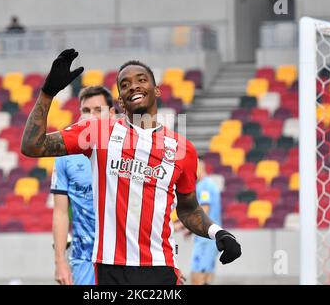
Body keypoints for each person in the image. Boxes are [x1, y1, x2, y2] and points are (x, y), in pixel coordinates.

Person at [21, 48, 241, 285]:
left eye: (141, 80)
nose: (133, 86)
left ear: (156, 90)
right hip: (110, 269)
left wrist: (217, 232)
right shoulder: (97, 132)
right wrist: (47, 93)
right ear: (120, 102)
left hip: (160, 268)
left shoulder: (182, 149)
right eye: (124, 85)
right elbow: (33, 146)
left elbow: (188, 209)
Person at [51, 86, 116, 285]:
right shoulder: (66, 156)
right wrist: (60, 261)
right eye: (86, 111)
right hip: (84, 258)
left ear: (112, 114)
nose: (91, 116)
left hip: (124, 257)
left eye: (98, 110)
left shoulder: (129, 150)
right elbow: (60, 212)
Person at [190, 159, 222, 285]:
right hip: (214, 235)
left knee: (197, 274)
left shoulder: (203, 186)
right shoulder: (211, 184)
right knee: (208, 271)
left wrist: (185, 225)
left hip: (205, 237)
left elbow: (204, 210)